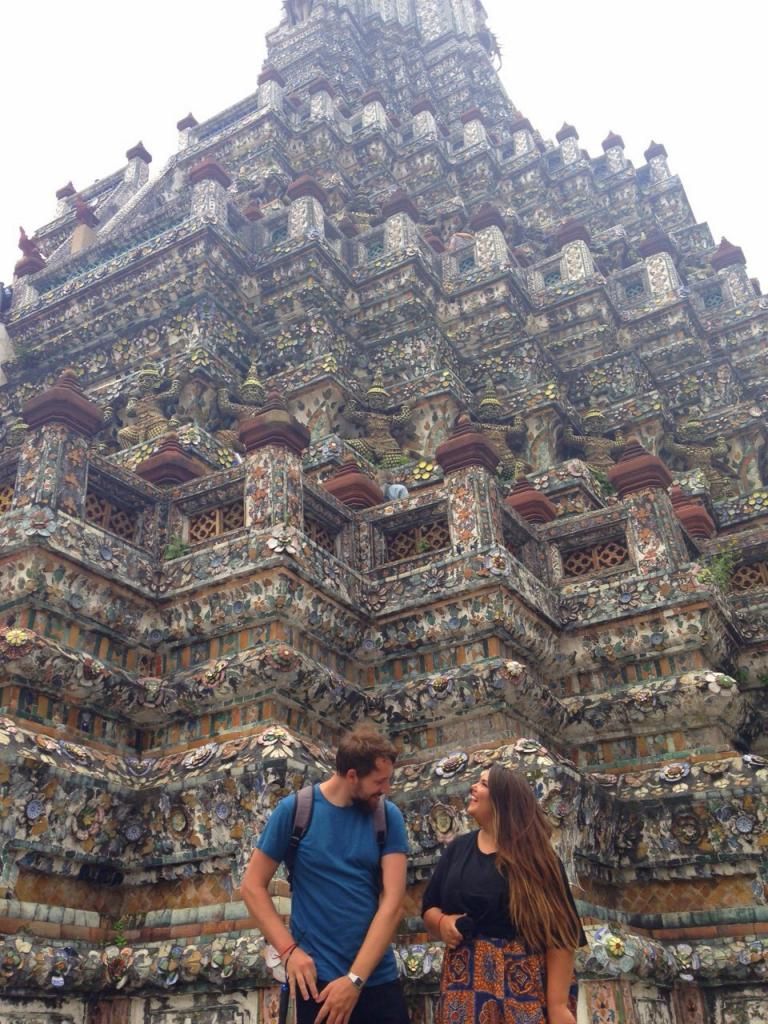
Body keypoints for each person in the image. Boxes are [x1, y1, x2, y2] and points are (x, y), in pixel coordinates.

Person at [241, 724, 410, 1024]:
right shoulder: (296, 811)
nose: (386, 790)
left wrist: (355, 980)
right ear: (352, 775)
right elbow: (252, 886)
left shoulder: (387, 816)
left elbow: (393, 903)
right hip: (317, 983)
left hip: (375, 979)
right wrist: (289, 951)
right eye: (379, 781)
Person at [422, 765, 586, 1024]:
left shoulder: (538, 860)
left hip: (522, 984)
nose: (473, 788)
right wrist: (443, 924)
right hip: (463, 985)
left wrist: (557, 1006)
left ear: (503, 800)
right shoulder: (457, 850)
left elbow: (562, 935)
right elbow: (429, 907)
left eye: (484, 784)